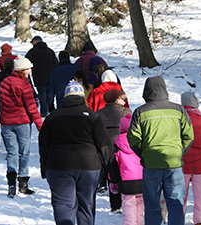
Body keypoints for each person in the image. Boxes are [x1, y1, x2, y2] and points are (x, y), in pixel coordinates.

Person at [39, 80, 118, 225]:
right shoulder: (93, 116)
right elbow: (104, 145)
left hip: (58, 166)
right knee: (86, 205)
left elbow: (43, 144)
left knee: (63, 204)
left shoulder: (53, 116)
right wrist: (113, 173)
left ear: (65, 97)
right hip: (89, 166)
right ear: (83, 97)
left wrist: (45, 168)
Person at [127, 76, 194, 225]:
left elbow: (132, 139)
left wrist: (144, 154)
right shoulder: (179, 110)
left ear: (146, 91)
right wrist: (179, 152)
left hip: (151, 165)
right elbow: (189, 136)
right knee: (176, 203)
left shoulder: (140, 111)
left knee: (152, 206)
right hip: (174, 163)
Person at [0, 56, 43, 198]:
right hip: (22, 122)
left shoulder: (4, 83)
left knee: (12, 153)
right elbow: (31, 107)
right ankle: (23, 184)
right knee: (24, 153)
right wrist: (40, 125)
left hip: (6, 122)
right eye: (28, 69)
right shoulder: (25, 85)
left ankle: (11, 183)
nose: (30, 71)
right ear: (22, 70)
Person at [96, 89, 132, 213]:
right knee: (124, 174)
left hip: (105, 147)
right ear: (116, 100)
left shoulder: (99, 113)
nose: (124, 101)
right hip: (122, 146)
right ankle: (126, 202)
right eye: (122, 99)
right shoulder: (125, 112)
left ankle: (115, 204)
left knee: (112, 175)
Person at [114, 114, 144, 225]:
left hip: (126, 180)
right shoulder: (141, 141)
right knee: (140, 204)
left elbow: (115, 163)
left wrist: (113, 180)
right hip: (142, 178)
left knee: (128, 204)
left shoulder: (117, 144)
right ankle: (139, 222)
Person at [181, 91, 201, 225]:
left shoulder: (179, 120)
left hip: (182, 164)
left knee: (181, 195)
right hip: (200, 165)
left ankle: (179, 217)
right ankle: (200, 220)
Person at [25, 36, 58, 117]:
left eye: (32, 42)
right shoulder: (50, 51)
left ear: (36, 42)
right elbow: (56, 63)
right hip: (50, 76)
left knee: (42, 94)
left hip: (39, 77)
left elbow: (26, 63)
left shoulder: (32, 52)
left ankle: (44, 111)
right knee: (50, 94)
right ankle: (51, 108)